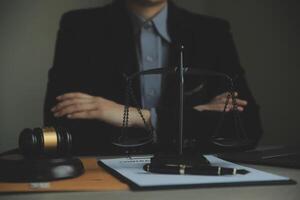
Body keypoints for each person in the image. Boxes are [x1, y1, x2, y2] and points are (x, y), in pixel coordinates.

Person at [44, 0, 263, 155]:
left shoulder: (211, 32)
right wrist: (197, 113)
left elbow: (245, 128)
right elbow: (61, 128)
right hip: (104, 178)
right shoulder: (80, 28)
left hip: (195, 177)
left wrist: (133, 116)